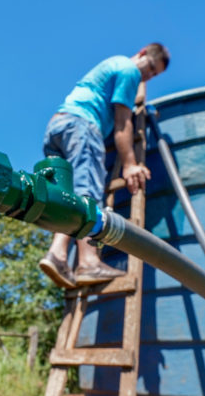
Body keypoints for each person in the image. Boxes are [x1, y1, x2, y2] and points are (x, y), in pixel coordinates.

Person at [39, 43, 170, 288]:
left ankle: (57, 255)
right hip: (81, 127)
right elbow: (122, 123)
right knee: (86, 192)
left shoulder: (113, 66)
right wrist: (130, 165)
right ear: (141, 53)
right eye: (150, 68)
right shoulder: (129, 70)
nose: (148, 76)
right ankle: (88, 262)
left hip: (57, 127)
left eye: (154, 75)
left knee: (67, 199)